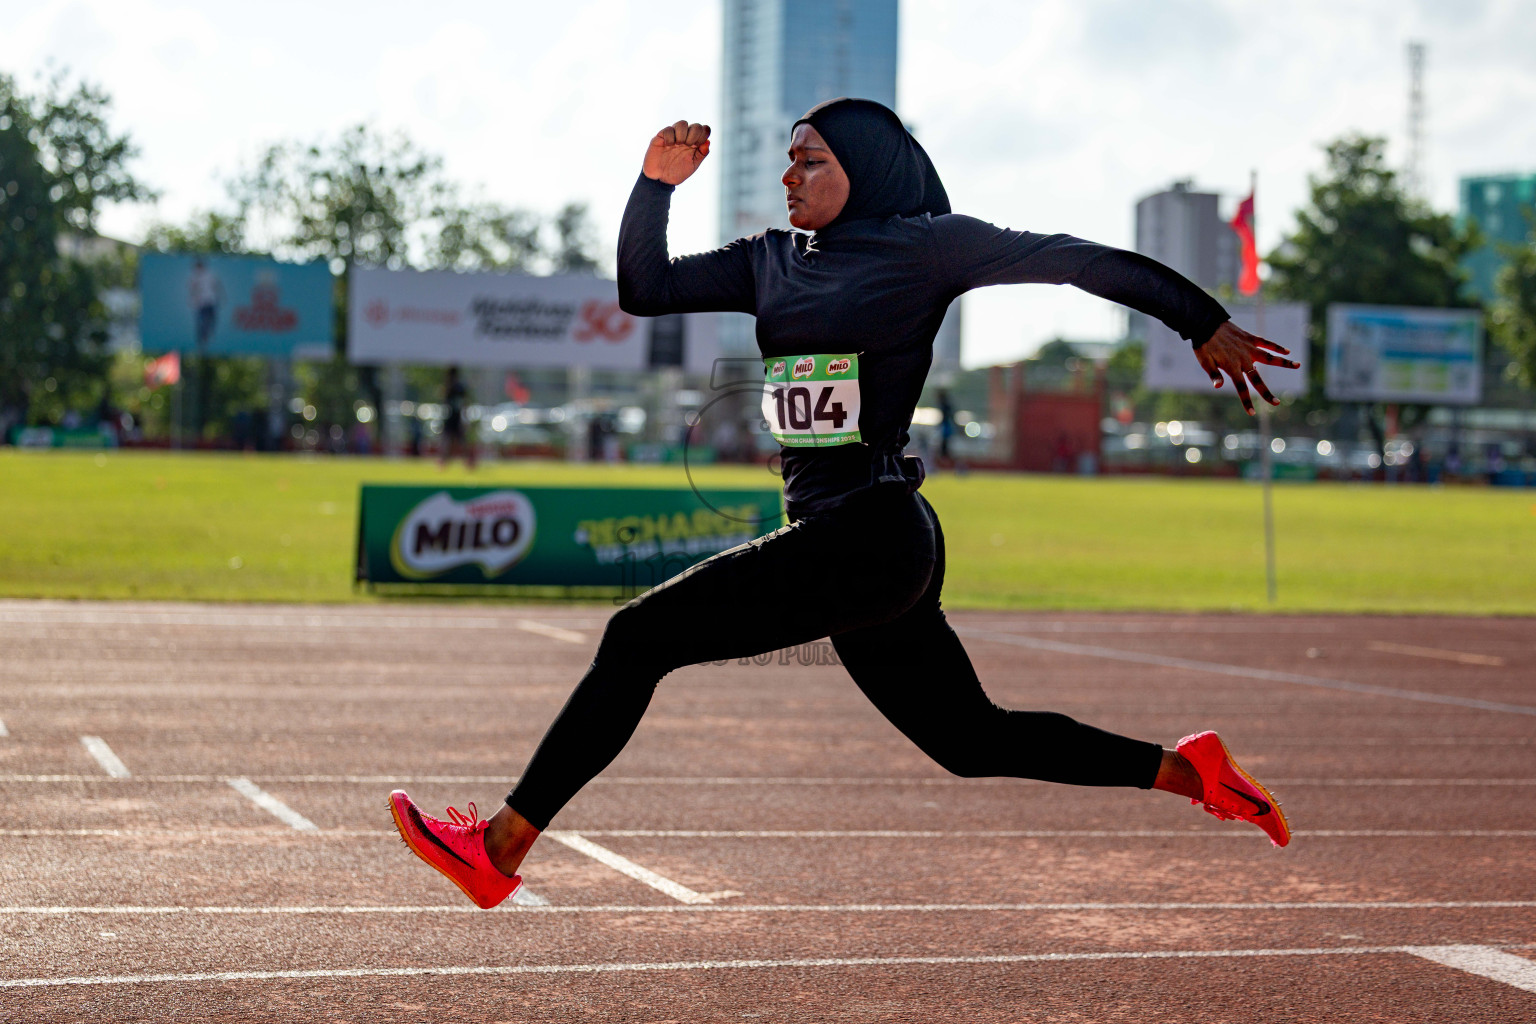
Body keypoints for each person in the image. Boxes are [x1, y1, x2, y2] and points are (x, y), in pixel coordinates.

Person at [390, 99, 1301, 908]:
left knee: (639, 638)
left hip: (871, 532)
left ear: (866, 169)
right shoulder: (768, 262)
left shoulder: (928, 247)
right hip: (853, 539)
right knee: (969, 739)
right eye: (787, 159)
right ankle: (1195, 774)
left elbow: (1078, 261)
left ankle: (499, 848)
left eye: (811, 159)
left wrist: (1200, 319)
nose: (790, 175)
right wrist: (653, 184)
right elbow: (646, 288)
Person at [438, 366, 475, 469]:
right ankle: (444, 462)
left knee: (456, 442)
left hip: (454, 418)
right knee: (449, 442)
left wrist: (465, 419)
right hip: (452, 418)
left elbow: (463, 404)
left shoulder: (454, 388)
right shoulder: (453, 387)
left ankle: (467, 462)